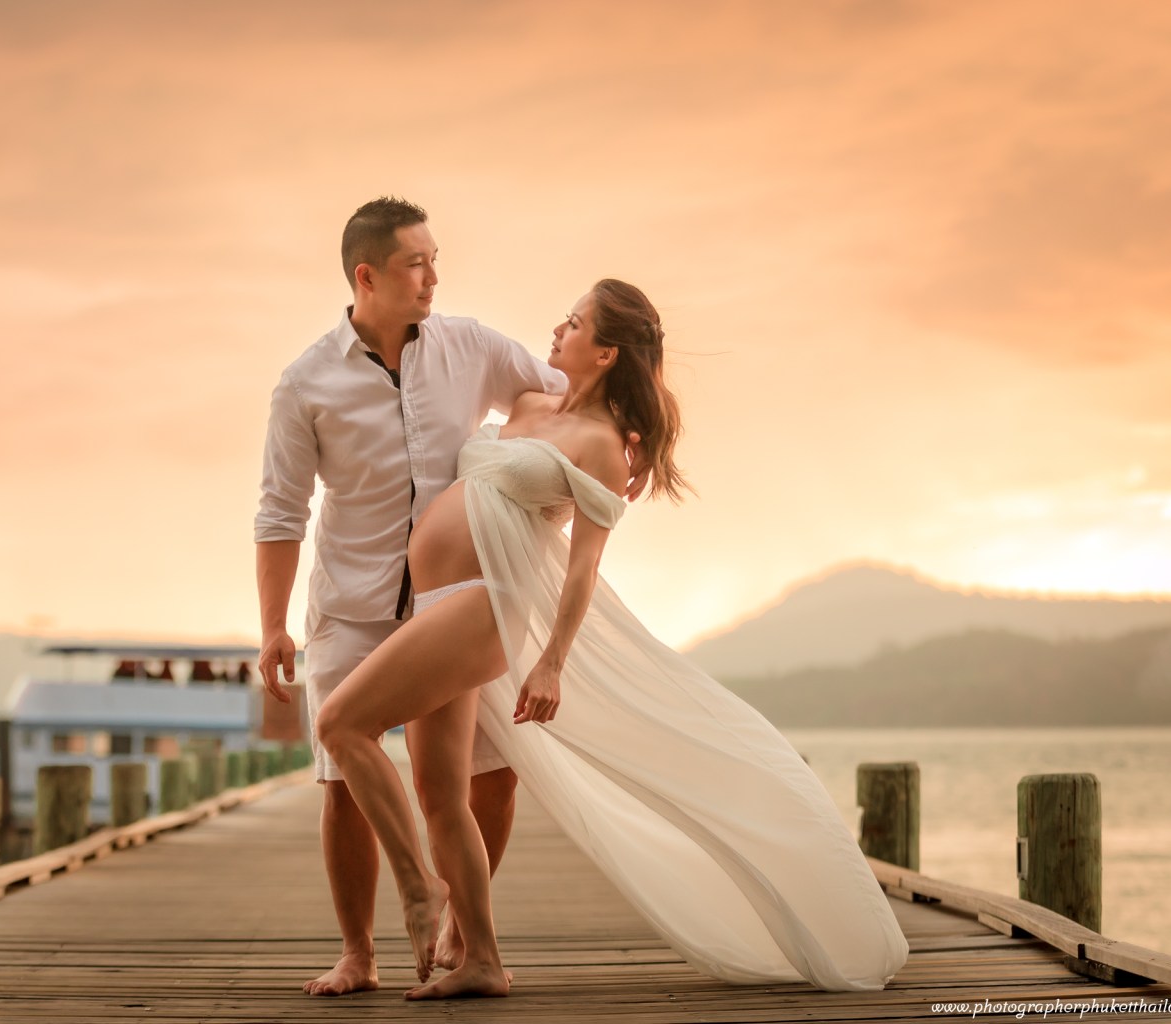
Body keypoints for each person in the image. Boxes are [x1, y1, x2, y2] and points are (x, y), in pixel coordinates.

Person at [315, 279, 911, 1000]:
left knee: (341, 721)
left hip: (483, 605)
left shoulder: (602, 448)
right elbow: (451, 375)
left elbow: (582, 567)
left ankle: (416, 889)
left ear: (605, 352)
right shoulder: (531, 403)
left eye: (574, 324)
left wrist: (551, 664)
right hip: (437, 600)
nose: (557, 330)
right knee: (442, 794)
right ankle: (482, 961)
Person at [255, 198, 643, 996]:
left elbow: (566, 392)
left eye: (435, 259)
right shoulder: (305, 383)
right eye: (415, 264)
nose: (433, 276)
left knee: (483, 778)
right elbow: (279, 511)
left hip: (459, 601)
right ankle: (361, 953)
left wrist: (623, 437)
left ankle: (468, 938)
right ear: (367, 276)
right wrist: (272, 625)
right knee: (341, 781)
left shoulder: (471, 346)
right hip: (353, 602)